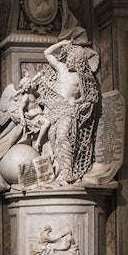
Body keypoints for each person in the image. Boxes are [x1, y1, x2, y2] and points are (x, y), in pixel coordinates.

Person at [38, 39, 100, 183]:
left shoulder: (83, 78)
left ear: (79, 60)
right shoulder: (61, 68)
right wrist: (62, 43)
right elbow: (47, 53)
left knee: (62, 135)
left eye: (73, 58)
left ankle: (67, 173)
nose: (70, 60)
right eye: (69, 57)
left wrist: (79, 105)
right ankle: (58, 171)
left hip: (68, 111)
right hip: (53, 109)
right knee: (52, 137)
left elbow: (90, 97)